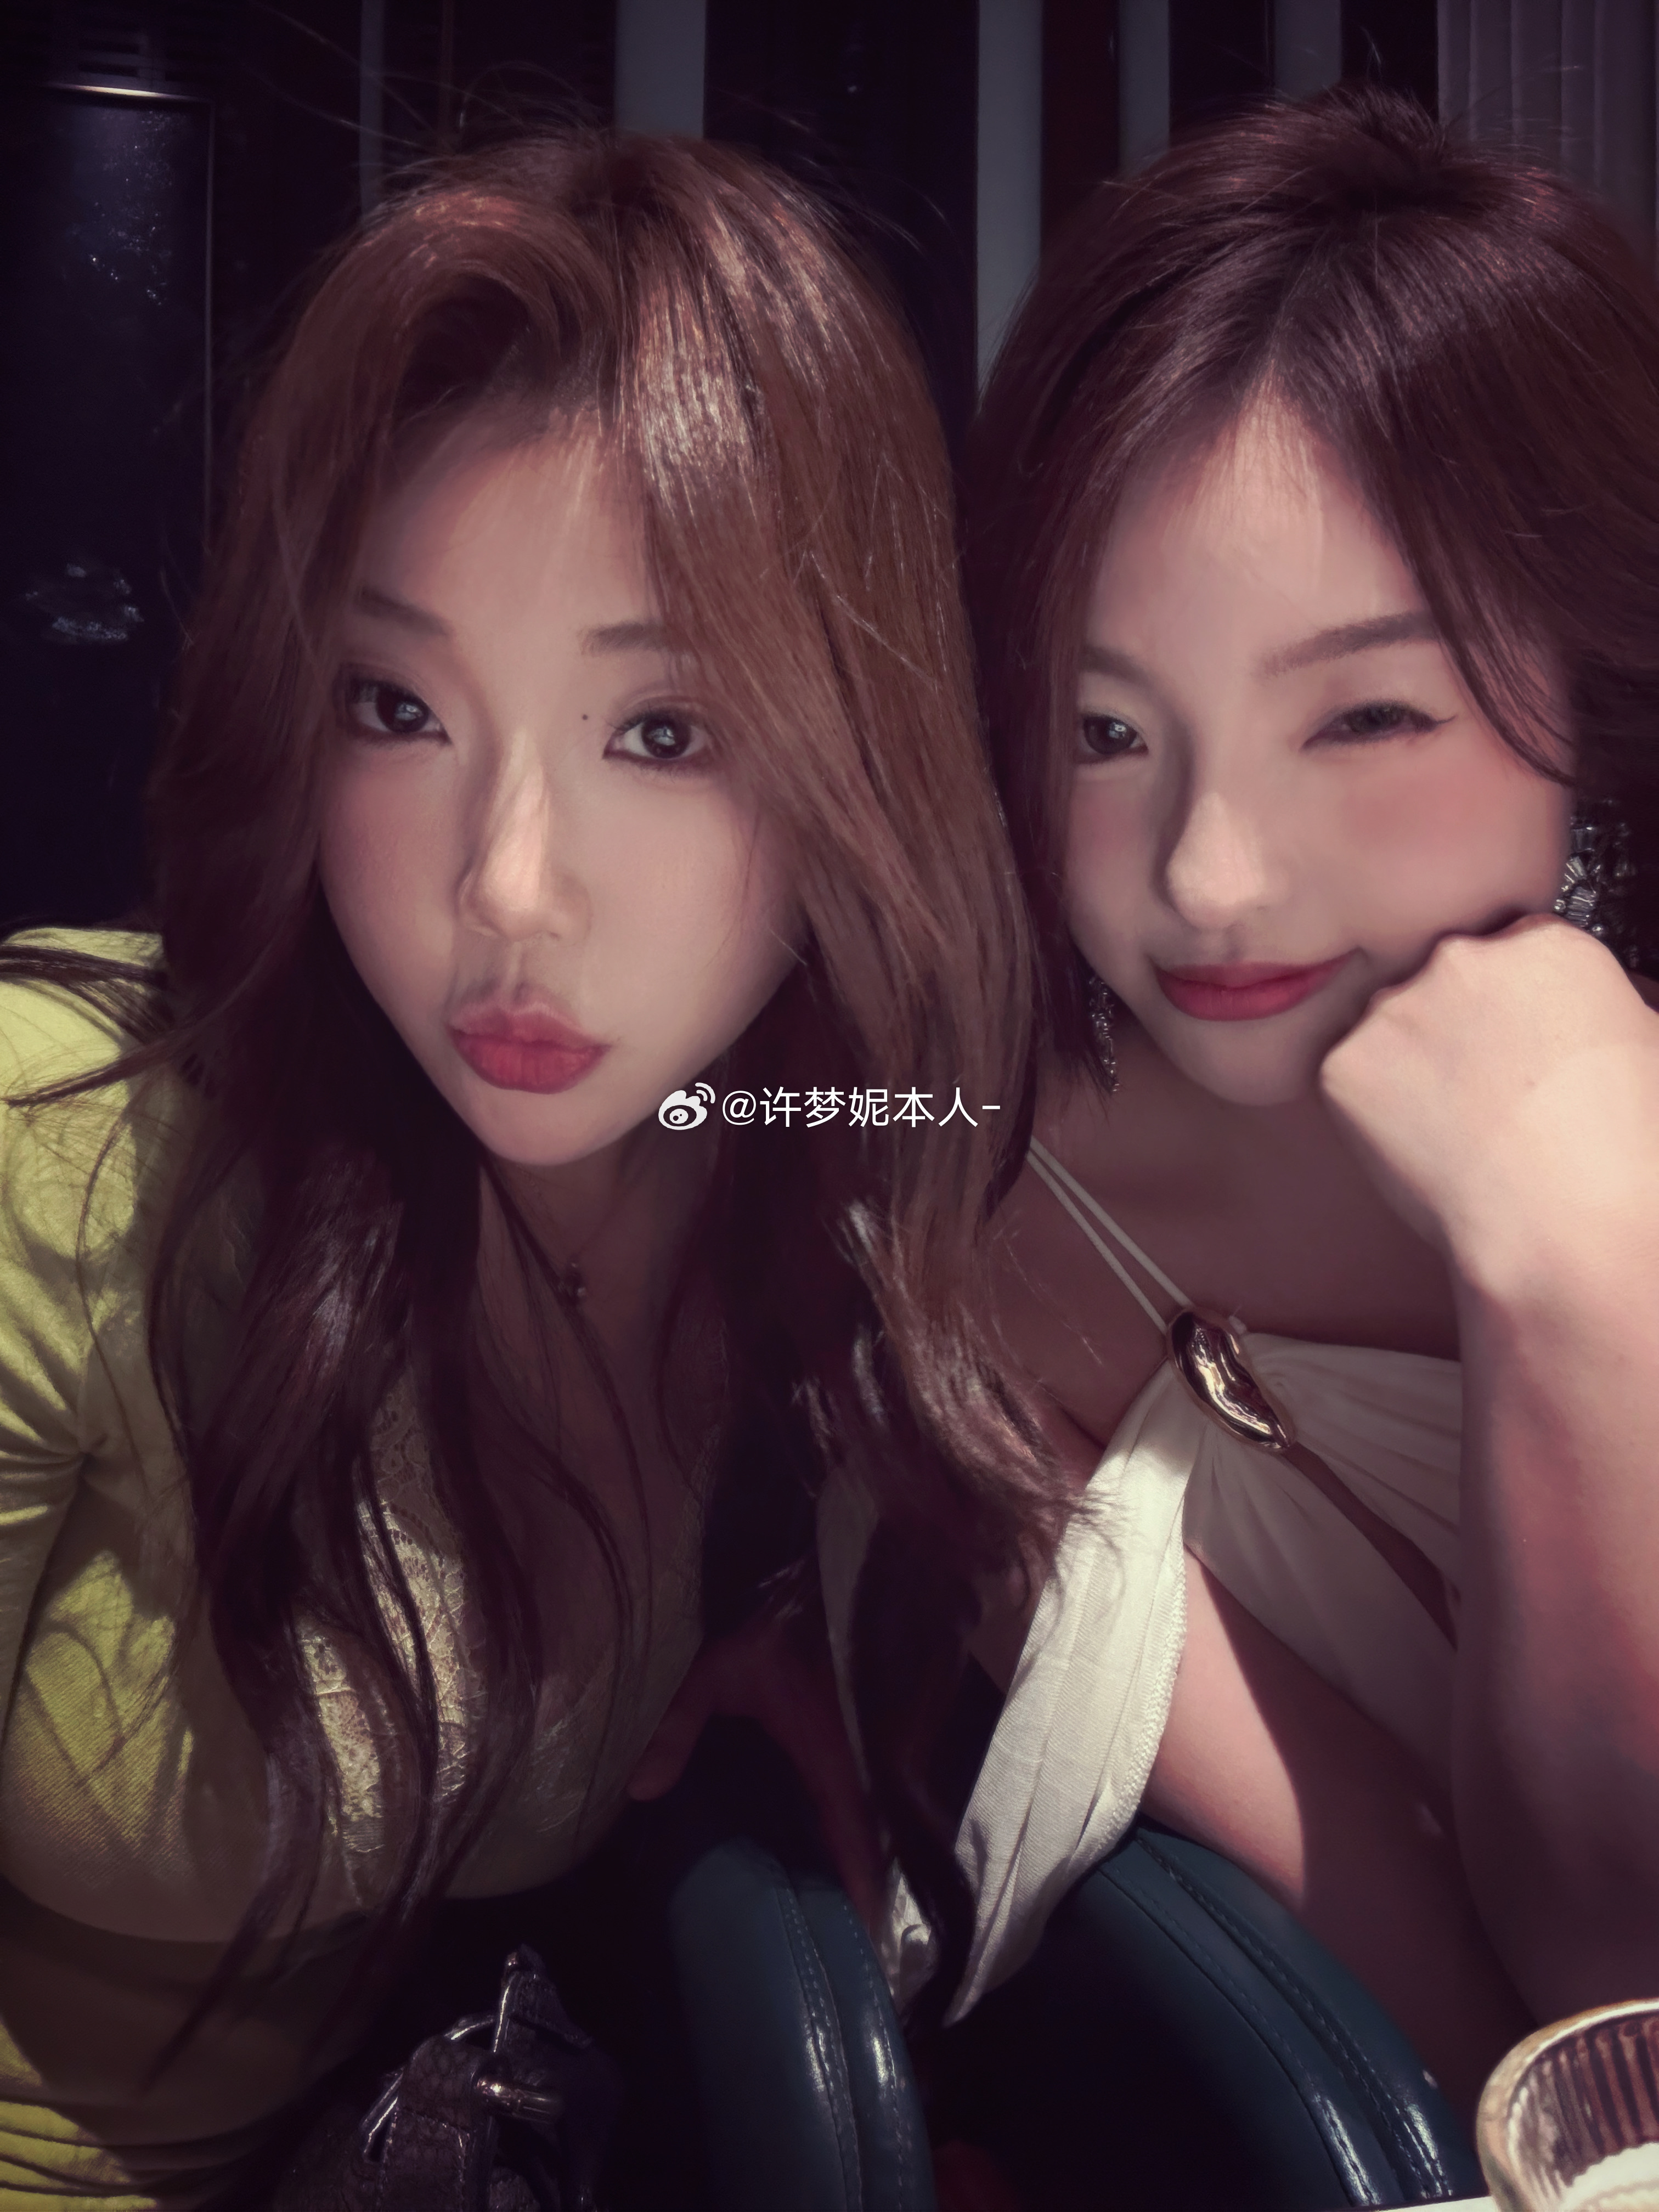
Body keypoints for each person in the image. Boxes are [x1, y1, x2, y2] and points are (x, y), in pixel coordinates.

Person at [0, 131, 1044, 2207]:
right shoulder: (71, 1160)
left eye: (662, 731)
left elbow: (1022, 1167)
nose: (504, 885)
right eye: (397, 705)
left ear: (854, 756)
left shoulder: (775, 1167)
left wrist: (794, 1618)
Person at [861, 83, 1659, 2120]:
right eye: (1104, 729)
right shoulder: (997, 1244)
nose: (1210, 875)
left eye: (1365, 714)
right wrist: (1572, 1283)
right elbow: (1577, 2045)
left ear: (1597, 696)